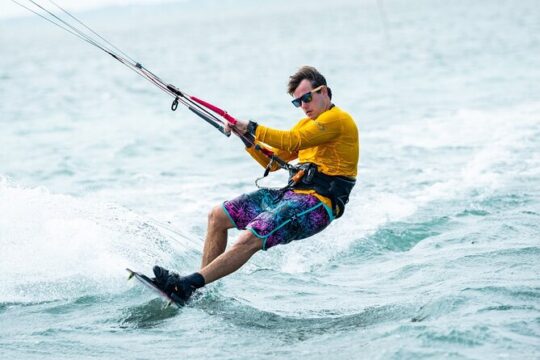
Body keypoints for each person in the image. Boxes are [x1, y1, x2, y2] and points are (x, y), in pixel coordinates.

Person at [152, 66, 360, 305]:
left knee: (251, 237)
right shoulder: (306, 126)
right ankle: (195, 290)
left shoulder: (338, 120)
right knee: (217, 216)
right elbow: (272, 163)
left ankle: (188, 284)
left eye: (307, 98)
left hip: (318, 205)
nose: (304, 106)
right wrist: (247, 139)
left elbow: (293, 140)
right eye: (297, 103)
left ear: (324, 92)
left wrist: (251, 126)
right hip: (292, 195)